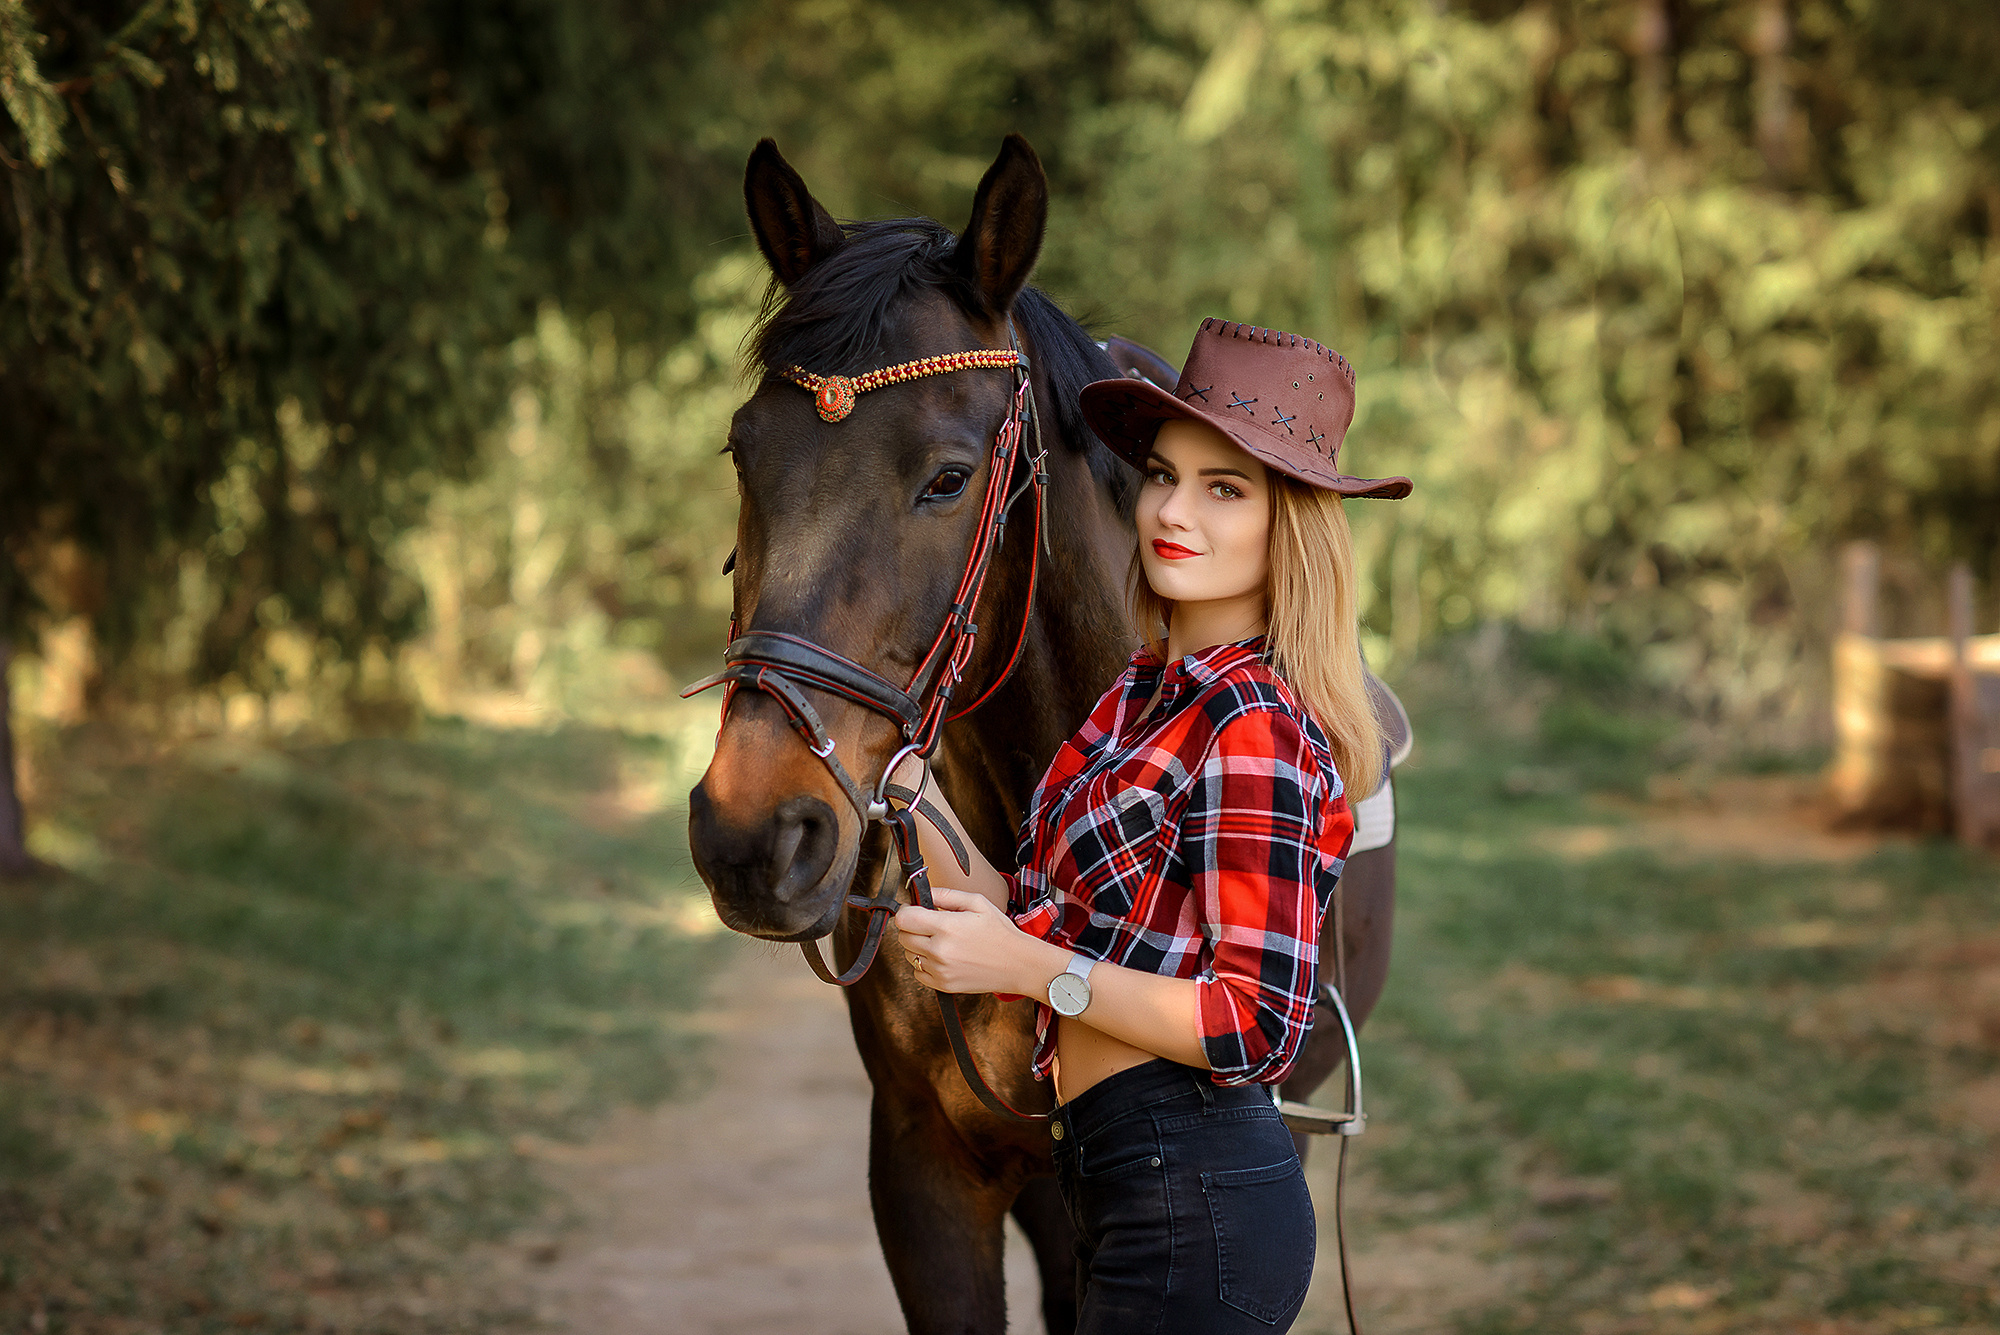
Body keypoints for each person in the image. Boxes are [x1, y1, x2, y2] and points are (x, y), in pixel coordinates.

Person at [891, 318, 1411, 1333]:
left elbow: (1251, 1022)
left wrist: (1027, 970)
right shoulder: (1138, 696)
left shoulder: (1251, 722)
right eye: (1164, 476)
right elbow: (1037, 913)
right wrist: (906, 783)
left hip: (1197, 1196)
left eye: (1224, 488)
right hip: (1116, 1181)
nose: (1170, 510)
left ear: (1290, 523)